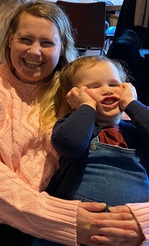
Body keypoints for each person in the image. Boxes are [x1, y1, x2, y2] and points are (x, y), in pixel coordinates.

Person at [0, 0, 146, 245]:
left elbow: (131, 149)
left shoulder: (81, 86)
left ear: (62, 46)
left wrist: (142, 221)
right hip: (3, 223)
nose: (35, 51)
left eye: (47, 43)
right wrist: (60, 219)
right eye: (26, 39)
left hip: (86, 220)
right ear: (10, 39)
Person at [33, 55, 149, 246]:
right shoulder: (72, 127)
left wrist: (131, 104)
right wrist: (86, 106)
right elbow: (71, 144)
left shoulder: (137, 131)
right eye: (94, 87)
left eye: (114, 84)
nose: (106, 90)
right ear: (73, 97)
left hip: (128, 235)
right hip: (75, 233)